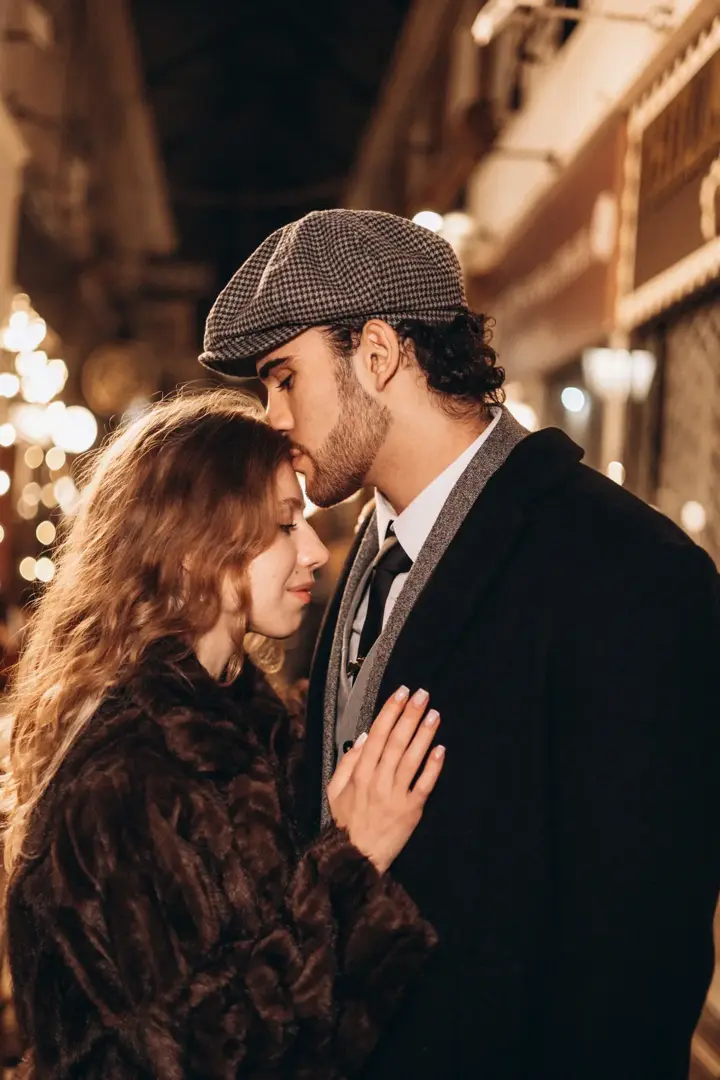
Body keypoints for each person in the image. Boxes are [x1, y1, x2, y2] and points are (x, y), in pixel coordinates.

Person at [200, 209, 720, 1080]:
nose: (272, 415)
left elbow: (638, 965)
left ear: (376, 354)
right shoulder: (357, 551)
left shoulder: (629, 569)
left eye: (283, 377)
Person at [1, 389, 447, 1079]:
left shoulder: (247, 734)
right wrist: (352, 861)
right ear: (191, 548)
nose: (313, 552)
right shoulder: (127, 780)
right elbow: (199, 1056)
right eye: (282, 523)